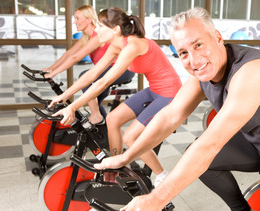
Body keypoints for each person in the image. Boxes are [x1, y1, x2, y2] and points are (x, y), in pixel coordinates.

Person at [94, 7, 260, 211]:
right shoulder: (201, 73)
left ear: (217, 38)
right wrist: (126, 157)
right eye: (183, 53)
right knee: (199, 159)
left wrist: (156, 199)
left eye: (198, 44)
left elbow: (210, 145)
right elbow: (170, 116)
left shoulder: (251, 71)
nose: (194, 59)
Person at [52, 7, 182, 186]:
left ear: (115, 30)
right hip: (153, 90)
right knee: (112, 119)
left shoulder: (133, 45)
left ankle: (163, 176)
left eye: (101, 26)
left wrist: (73, 106)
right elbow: (92, 75)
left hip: (170, 93)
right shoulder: (115, 45)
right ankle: (115, 166)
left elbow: (102, 82)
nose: (96, 30)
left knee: (131, 137)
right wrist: (64, 96)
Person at [45, 5, 135, 124]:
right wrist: (50, 70)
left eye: (77, 18)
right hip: (109, 69)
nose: (74, 21)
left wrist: (54, 73)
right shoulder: (86, 37)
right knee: (94, 101)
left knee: (84, 76)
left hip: (123, 70)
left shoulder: (98, 36)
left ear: (88, 20)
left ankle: (96, 116)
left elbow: (75, 57)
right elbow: (70, 53)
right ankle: (103, 133)